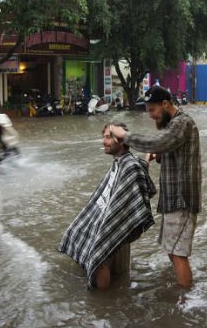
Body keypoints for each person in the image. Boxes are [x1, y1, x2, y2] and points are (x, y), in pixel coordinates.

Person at [110, 85, 202, 288]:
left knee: (178, 254)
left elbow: (159, 141)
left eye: (152, 110)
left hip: (182, 199)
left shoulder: (182, 122)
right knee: (172, 250)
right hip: (172, 199)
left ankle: (185, 303)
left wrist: (124, 135)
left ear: (165, 104)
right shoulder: (173, 126)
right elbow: (171, 148)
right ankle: (183, 295)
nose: (151, 115)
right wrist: (159, 155)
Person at [58, 122, 156, 289]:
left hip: (115, 223)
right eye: (103, 137)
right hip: (109, 219)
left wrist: (105, 228)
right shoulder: (121, 162)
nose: (104, 141)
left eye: (108, 137)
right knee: (75, 232)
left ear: (122, 140)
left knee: (99, 258)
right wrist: (147, 161)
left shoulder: (129, 166)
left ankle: (101, 303)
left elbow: (133, 187)